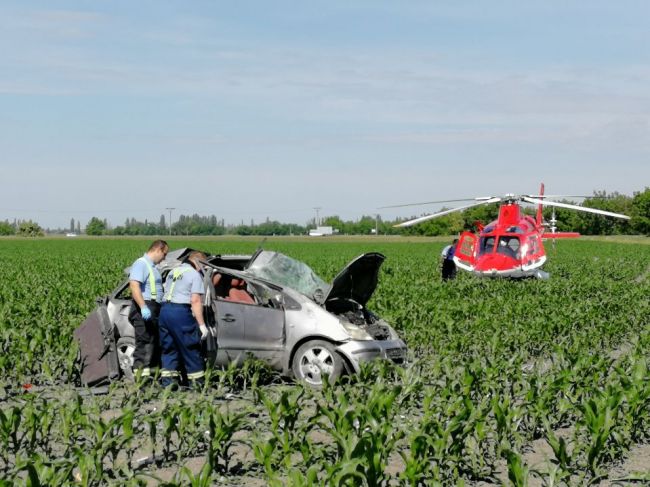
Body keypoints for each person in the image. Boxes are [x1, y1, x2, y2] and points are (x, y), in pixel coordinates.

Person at [158, 251, 209, 389]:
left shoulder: (172, 272)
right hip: (180, 312)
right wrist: (202, 325)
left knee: (169, 348)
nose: (203, 270)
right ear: (198, 263)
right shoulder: (194, 274)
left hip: (164, 311)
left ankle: (169, 385)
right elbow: (195, 300)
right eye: (203, 267)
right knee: (190, 347)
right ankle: (196, 384)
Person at [128, 240, 168, 381]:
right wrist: (143, 307)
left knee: (152, 344)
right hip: (144, 307)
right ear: (158, 249)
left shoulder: (153, 267)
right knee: (144, 344)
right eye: (164, 254)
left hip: (154, 307)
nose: (164, 257)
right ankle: (141, 381)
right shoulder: (141, 264)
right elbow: (134, 286)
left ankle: (150, 379)